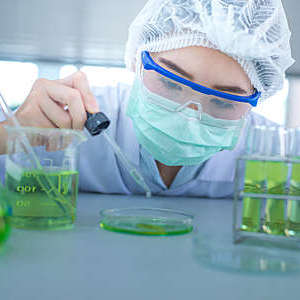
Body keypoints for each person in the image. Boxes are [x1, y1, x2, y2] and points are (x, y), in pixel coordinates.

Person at [0, 0, 295, 197]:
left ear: (255, 100)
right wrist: (8, 133)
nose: (188, 117)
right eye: (170, 82)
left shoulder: (272, 151)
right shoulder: (65, 119)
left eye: (223, 101)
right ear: (137, 63)